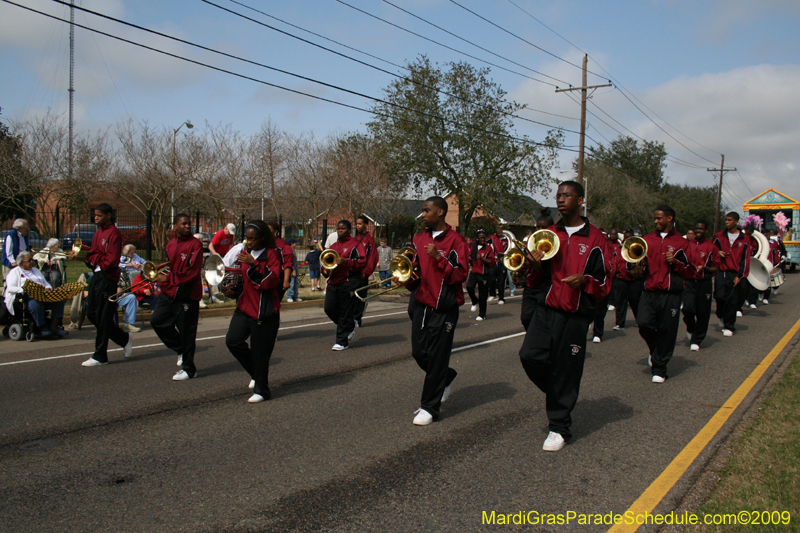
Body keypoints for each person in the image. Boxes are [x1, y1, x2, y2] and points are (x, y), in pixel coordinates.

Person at [518, 181, 612, 451]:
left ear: (580, 200)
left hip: (576, 314)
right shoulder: (548, 234)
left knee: (567, 370)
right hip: (546, 309)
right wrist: (535, 266)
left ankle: (559, 427)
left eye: (567, 195)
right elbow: (536, 280)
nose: (560, 200)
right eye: (558, 195)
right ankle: (561, 394)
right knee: (529, 356)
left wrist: (586, 281)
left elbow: (606, 281)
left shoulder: (596, 239)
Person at [400, 196, 469, 426]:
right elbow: (414, 270)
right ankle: (445, 377)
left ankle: (430, 406)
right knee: (420, 353)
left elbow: (460, 274)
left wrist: (439, 257)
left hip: (445, 307)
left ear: (440, 212)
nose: (423, 215)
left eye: (426, 210)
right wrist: (405, 278)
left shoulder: (457, 241)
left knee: (438, 357)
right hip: (421, 303)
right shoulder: (418, 239)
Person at [225, 220, 282, 403]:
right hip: (244, 306)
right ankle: (257, 374)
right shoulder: (245, 253)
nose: (249, 242)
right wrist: (232, 290)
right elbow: (243, 280)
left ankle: (262, 391)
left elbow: (270, 282)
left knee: (260, 353)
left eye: (253, 239)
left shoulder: (273, 255)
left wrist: (253, 263)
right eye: (247, 238)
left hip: (263, 310)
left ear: (263, 238)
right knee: (233, 341)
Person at [637, 206, 690, 383]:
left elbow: (689, 270)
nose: (656, 221)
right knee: (643, 324)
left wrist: (675, 262)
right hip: (649, 291)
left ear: (670, 218)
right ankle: (656, 351)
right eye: (655, 218)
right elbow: (636, 262)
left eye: (659, 218)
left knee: (667, 330)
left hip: (670, 294)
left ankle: (659, 368)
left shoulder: (681, 242)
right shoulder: (647, 239)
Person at [77, 204, 132, 366]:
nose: (96, 218)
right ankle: (123, 338)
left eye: (99, 215)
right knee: (92, 313)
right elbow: (92, 255)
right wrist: (90, 258)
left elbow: (111, 261)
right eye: (95, 215)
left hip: (107, 278)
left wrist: (95, 257)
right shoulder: (98, 232)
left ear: (108, 215)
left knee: (102, 316)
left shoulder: (114, 233)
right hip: (97, 276)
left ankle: (100, 355)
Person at [150, 213, 204, 380]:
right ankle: (180, 349)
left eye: (189, 224)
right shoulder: (171, 244)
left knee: (187, 332)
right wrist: (158, 276)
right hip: (170, 292)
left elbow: (192, 271)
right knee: (157, 320)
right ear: (175, 226)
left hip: (188, 295)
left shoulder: (196, 245)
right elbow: (171, 266)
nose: (188, 226)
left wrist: (169, 278)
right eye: (184, 224)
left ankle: (189, 369)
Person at [322, 220, 366, 350]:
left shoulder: (356, 245)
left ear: (349, 230)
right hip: (333, 282)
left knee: (345, 312)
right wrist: (324, 270)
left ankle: (342, 341)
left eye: (343, 228)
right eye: (338, 228)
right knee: (329, 309)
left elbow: (362, 262)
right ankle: (349, 325)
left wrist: (345, 262)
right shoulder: (334, 246)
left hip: (348, 282)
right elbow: (326, 263)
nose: (340, 230)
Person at [4, 251, 68, 338]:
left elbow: (46, 283)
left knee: (59, 300)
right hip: (27, 298)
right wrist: (26, 290)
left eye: (31, 259)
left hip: (43, 295)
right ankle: (42, 327)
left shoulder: (36, 270)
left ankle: (54, 327)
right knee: (36, 303)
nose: (32, 261)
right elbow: (11, 288)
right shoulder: (15, 272)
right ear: (22, 263)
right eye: (29, 260)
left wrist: (48, 288)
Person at [682, 220, 719, 351]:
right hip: (689, 282)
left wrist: (705, 268)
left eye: (701, 229)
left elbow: (716, 268)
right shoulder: (687, 245)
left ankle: (697, 340)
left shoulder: (712, 247)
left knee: (703, 313)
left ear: (706, 231)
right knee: (687, 309)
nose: (698, 231)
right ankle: (691, 328)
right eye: (696, 228)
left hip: (704, 283)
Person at [712, 212, 750, 337]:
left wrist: (740, 276)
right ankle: (721, 316)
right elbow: (711, 250)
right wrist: (718, 252)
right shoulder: (719, 236)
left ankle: (729, 326)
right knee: (719, 297)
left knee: (731, 300)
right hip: (721, 271)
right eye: (726, 220)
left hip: (734, 273)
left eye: (729, 220)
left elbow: (745, 258)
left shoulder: (744, 239)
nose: (727, 222)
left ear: (736, 222)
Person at [520, 211, 554, 331]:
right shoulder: (531, 242)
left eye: (544, 227)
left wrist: (537, 264)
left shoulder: (554, 244)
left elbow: (545, 271)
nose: (540, 230)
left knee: (545, 321)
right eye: (538, 227)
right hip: (530, 287)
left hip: (546, 289)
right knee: (526, 318)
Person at [612, 230, 644, 330]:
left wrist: (638, 270)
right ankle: (620, 323)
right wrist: (627, 272)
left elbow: (642, 262)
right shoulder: (618, 250)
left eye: (630, 238)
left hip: (634, 280)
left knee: (635, 301)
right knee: (620, 302)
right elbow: (617, 264)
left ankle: (639, 321)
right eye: (626, 238)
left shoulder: (637, 249)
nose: (628, 240)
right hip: (622, 279)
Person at [591, 229, 619, 343]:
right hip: (590, 284)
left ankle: (598, 333)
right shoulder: (592, 249)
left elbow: (612, 269)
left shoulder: (608, 251)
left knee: (600, 311)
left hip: (603, 285)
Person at [353, 215, 378, 327]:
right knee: (352, 295)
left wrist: (366, 272)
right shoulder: (354, 238)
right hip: (353, 272)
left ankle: (357, 319)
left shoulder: (370, 240)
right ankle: (351, 316)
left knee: (360, 296)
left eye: (360, 224)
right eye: (356, 224)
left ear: (366, 225)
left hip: (362, 274)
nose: (357, 226)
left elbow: (373, 257)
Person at [466, 229, 494, 321]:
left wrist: (482, 258)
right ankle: (474, 301)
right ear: (477, 238)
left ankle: (482, 314)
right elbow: (470, 257)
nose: (483, 239)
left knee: (483, 295)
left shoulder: (488, 248)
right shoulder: (474, 247)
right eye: (481, 238)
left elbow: (491, 261)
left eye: (484, 237)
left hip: (484, 274)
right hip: (474, 271)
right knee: (469, 287)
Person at [266, 221, 294, 301]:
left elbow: (288, 264)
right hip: (265, 277)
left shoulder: (283, 245)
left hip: (278, 278)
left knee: (273, 303)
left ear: (275, 231)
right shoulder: (262, 244)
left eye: (269, 229)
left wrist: (285, 281)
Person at [2, 218, 30, 292]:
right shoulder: (11, 235)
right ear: (19, 228)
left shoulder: (24, 235)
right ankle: (6, 299)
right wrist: (13, 262)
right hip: (11, 262)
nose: (28, 228)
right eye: (26, 227)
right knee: (9, 281)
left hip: (22, 262)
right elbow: (8, 252)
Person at [486, 226, 509, 304]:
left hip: (503, 261)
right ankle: (492, 294)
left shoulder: (507, 239)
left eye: (501, 232)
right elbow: (484, 241)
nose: (500, 234)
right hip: (495, 260)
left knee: (501, 280)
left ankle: (501, 298)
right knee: (491, 278)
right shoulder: (493, 238)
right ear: (496, 233)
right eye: (499, 233)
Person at [285, 238, 302, 303]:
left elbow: (295, 261)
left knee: (296, 284)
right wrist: (293, 270)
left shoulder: (293, 251)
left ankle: (295, 296)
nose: (296, 244)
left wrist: (297, 269)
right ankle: (289, 296)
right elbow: (290, 262)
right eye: (295, 243)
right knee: (291, 283)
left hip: (295, 268)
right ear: (292, 243)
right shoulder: (289, 251)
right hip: (292, 270)